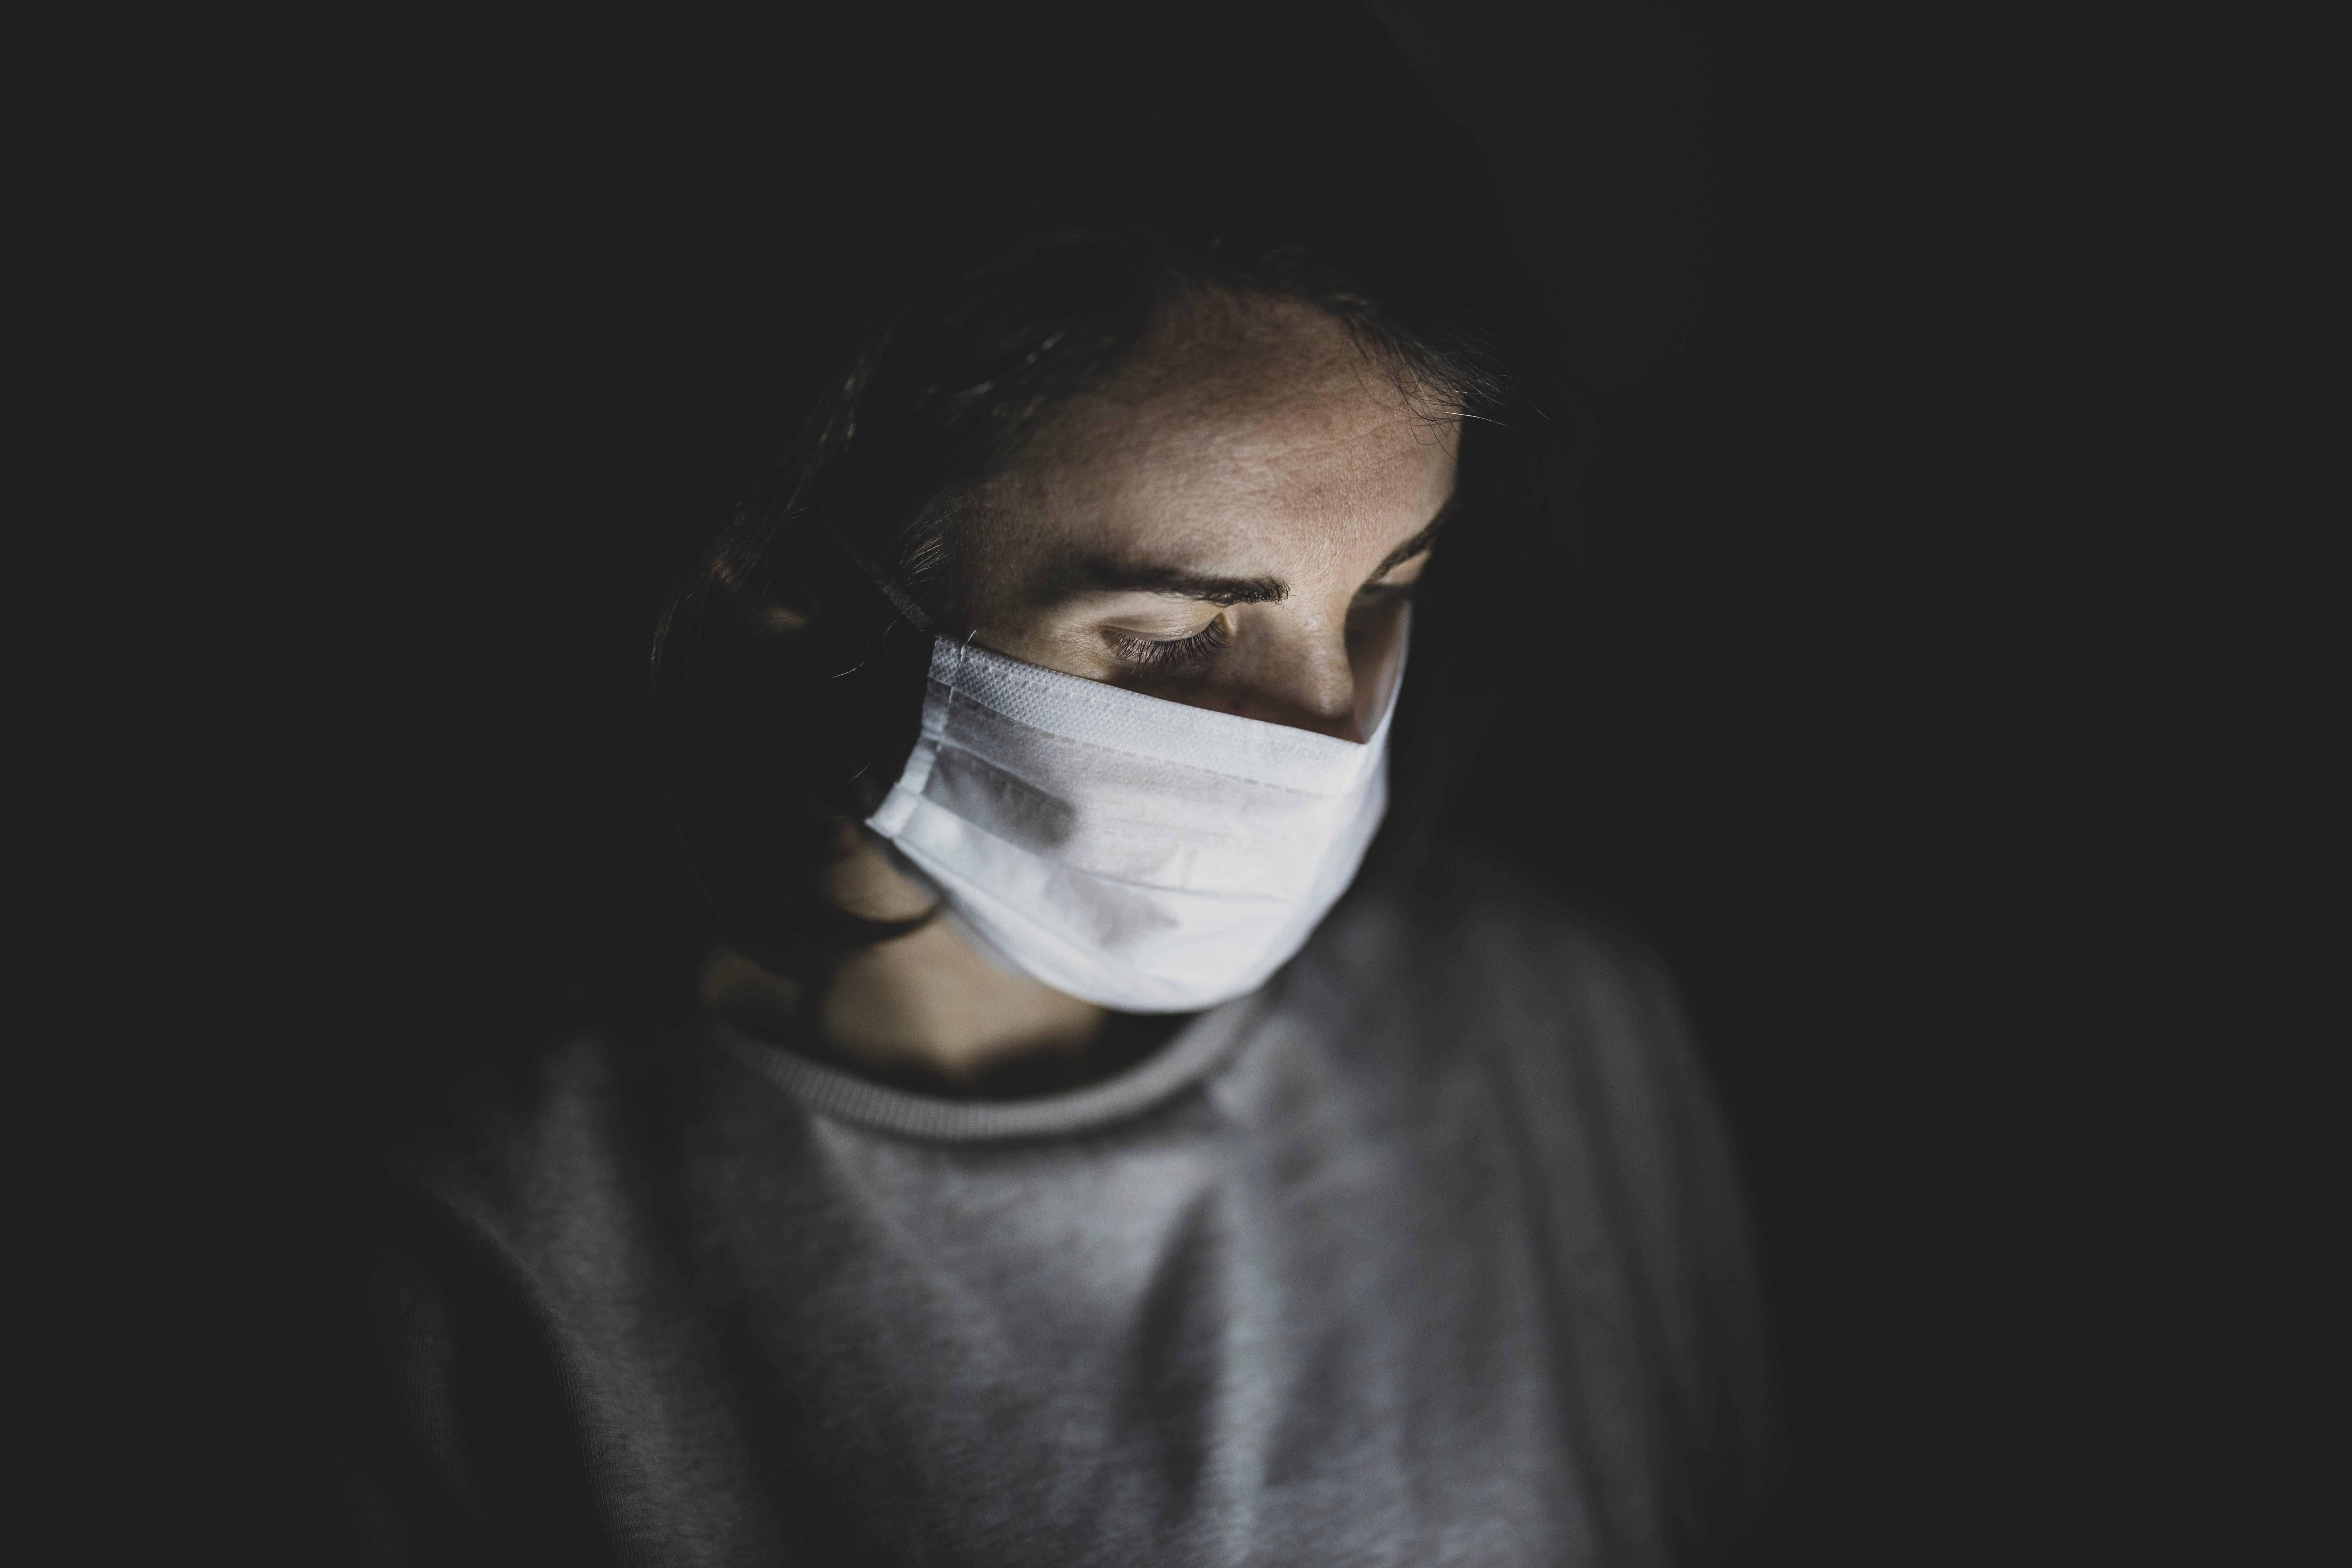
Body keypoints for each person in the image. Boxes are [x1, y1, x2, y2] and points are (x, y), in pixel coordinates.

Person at [323, 4, 1773, 1562]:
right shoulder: (480, 1259)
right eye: (1169, 645)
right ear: (800, 552)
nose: (1323, 735)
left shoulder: (1545, 1017)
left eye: (1379, 595)